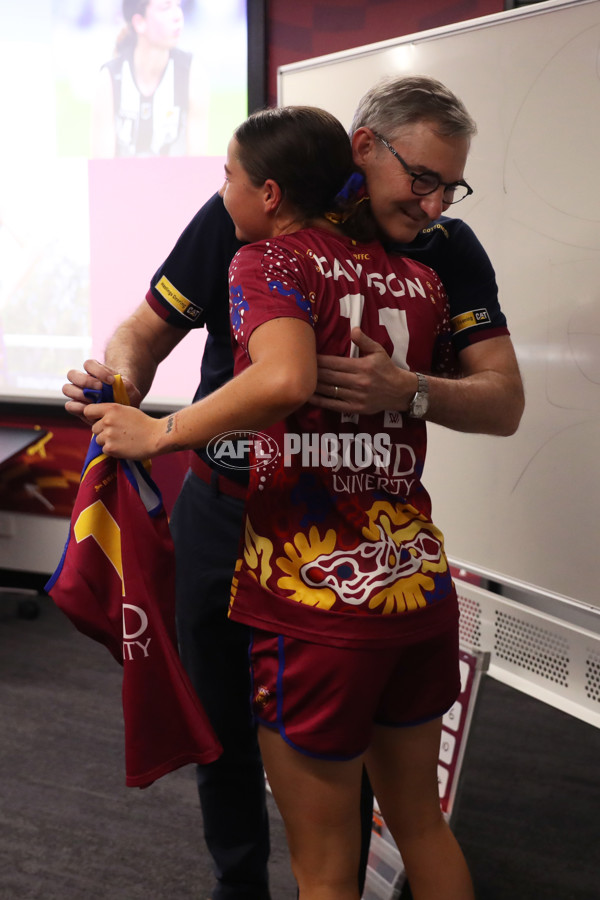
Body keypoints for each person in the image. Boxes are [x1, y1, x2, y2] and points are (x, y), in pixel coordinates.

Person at [64, 76, 524, 900]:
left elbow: (502, 401)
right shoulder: (247, 217)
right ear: (362, 149)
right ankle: (239, 884)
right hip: (256, 520)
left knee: (336, 825)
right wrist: (124, 388)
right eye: (419, 179)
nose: (432, 206)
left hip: (325, 550)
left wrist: (410, 389)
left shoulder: (433, 251)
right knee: (226, 732)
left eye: (449, 186)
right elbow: (144, 330)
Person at [91, 0, 207, 157]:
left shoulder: (192, 73)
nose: (178, 16)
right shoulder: (110, 78)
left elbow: (197, 166)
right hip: (122, 181)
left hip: (177, 181)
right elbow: (102, 168)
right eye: (166, 7)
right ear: (139, 22)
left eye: (178, 6)